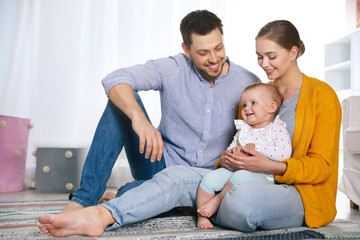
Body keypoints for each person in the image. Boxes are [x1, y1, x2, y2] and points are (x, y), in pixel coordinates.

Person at [38, 19, 342, 237]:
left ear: (294, 51)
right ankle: (89, 207)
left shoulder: (278, 89)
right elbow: (240, 139)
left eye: (271, 56)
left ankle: (144, 198)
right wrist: (141, 121)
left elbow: (320, 165)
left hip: (260, 181)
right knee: (126, 113)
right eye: (260, 57)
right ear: (186, 49)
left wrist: (267, 165)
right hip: (183, 167)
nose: (264, 64)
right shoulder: (255, 93)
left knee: (234, 199)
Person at [61, 9, 260, 214]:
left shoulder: (248, 83)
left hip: (205, 180)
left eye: (218, 48)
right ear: (187, 50)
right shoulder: (173, 68)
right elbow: (115, 79)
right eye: (203, 53)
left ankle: (126, 195)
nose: (213, 58)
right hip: (159, 164)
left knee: (166, 200)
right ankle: (84, 200)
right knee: (119, 102)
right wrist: (139, 120)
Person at [196, 83, 292, 229]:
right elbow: (230, 148)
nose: (246, 108)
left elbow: (284, 153)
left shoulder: (276, 129)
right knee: (209, 179)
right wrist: (231, 153)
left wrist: (257, 149)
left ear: (271, 108)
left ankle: (217, 201)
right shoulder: (244, 130)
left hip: (264, 176)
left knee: (239, 178)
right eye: (244, 104)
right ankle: (202, 216)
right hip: (235, 169)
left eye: (253, 103)